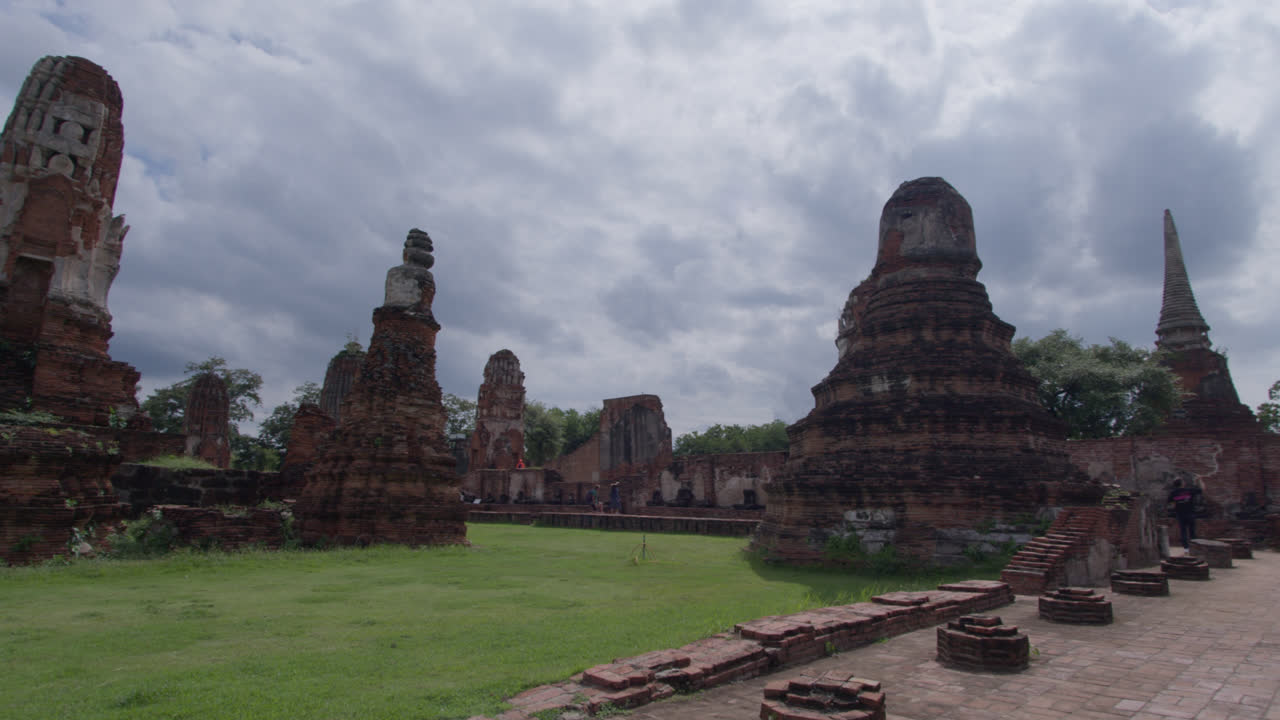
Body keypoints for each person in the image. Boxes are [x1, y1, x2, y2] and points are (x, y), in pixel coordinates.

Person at [1166, 478, 1202, 551]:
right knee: (1192, 532)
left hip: (1180, 515)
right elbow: (1201, 489)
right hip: (1190, 514)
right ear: (1182, 484)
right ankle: (1195, 549)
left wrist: (1177, 505)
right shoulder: (1188, 491)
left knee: (1183, 532)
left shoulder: (1173, 493)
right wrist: (1199, 480)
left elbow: (1170, 505)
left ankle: (1186, 549)